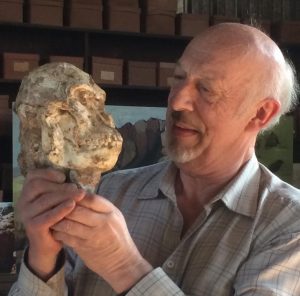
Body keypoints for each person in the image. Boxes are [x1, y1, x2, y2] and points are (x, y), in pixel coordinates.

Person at [9, 23, 300, 296]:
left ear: (261, 114)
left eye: (206, 89)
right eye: (179, 78)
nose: (177, 101)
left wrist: (122, 265)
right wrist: (43, 257)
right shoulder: (111, 191)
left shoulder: (289, 226)